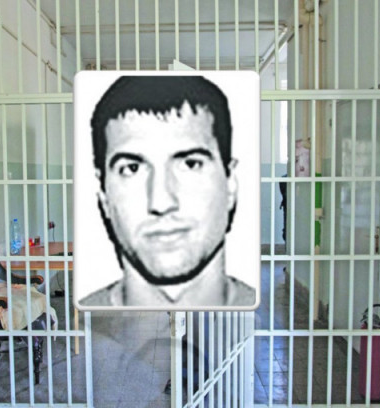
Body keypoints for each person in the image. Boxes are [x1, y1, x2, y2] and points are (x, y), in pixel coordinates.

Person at [79, 75, 256, 308]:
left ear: (230, 183)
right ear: (103, 196)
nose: (161, 202)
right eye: (131, 169)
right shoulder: (77, 326)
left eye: (191, 164)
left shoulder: (272, 320)